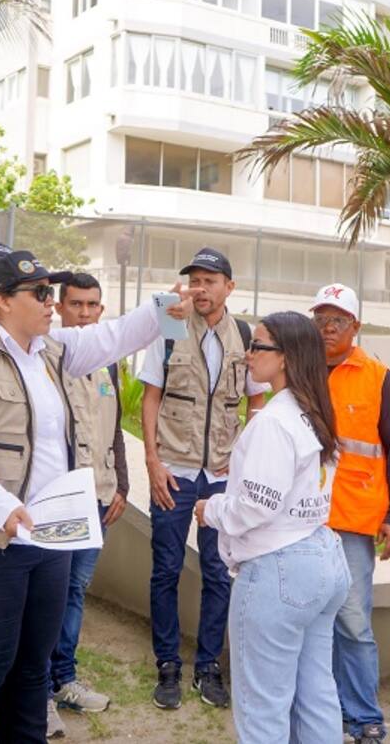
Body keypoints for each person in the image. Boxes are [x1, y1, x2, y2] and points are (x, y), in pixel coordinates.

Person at [0, 250, 193, 743]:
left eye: (52, 292)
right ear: (1, 301)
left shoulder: (51, 352)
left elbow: (110, 337)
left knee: (30, 676)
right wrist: (0, 505)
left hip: (46, 543)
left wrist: (160, 310)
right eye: (40, 293)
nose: (52, 303)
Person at [195, 311, 349, 744]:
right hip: (322, 557)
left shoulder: (274, 421)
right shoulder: (313, 411)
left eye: (259, 346)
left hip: (279, 567)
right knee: (317, 693)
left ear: (285, 357)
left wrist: (212, 509)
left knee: (263, 706)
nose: (248, 354)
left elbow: (255, 507)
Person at [139, 247, 267, 710]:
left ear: (229, 288)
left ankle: (208, 665)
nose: (200, 288)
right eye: (195, 279)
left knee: (218, 571)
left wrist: (243, 454)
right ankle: (168, 665)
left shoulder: (247, 335)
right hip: (173, 469)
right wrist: (152, 462)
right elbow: (149, 398)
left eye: (210, 280)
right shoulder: (170, 325)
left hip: (219, 474)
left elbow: (256, 400)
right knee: (166, 569)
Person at [309, 284, 390, 743]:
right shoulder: (300, 369)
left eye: (338, 321)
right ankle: (322, 714)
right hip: (302, 519)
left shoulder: (376, 375)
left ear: (356, 327)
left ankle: (365, 717)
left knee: (352, 622)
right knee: (311, 620)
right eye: (321, 320)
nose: (328, 329)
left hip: (352, 522)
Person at [46, 273, 131, 738]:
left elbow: (113, 428)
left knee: (75, 593)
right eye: (75, 304)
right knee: (48, 597)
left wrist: (122, 484)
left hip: (99, 498)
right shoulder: (45, 357)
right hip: (59, 502)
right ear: (59, 308)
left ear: (101, 310)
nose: (83, 312)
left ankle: (64, 679)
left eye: (92, 305)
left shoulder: (110, 362)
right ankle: (36, 692)